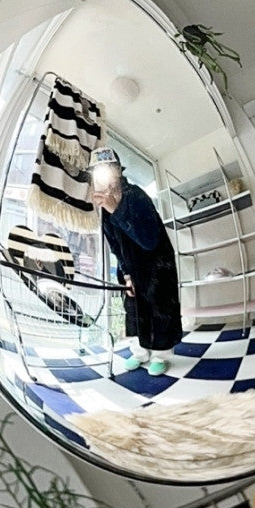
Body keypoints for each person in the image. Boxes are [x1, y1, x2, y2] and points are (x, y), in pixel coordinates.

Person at [88, 147, 182, 376]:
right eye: (98, 173)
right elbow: (114, 245)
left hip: (157, 266)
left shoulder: (136, 196)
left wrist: (116, 209)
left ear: (119, 171)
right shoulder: (104, 208)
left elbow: (149, 240)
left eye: (109, 169)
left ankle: (160, 355)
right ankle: (140, 352)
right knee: (134, 309)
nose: (104, 178)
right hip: (132, 268)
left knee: (160, 308)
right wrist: (126, 274)